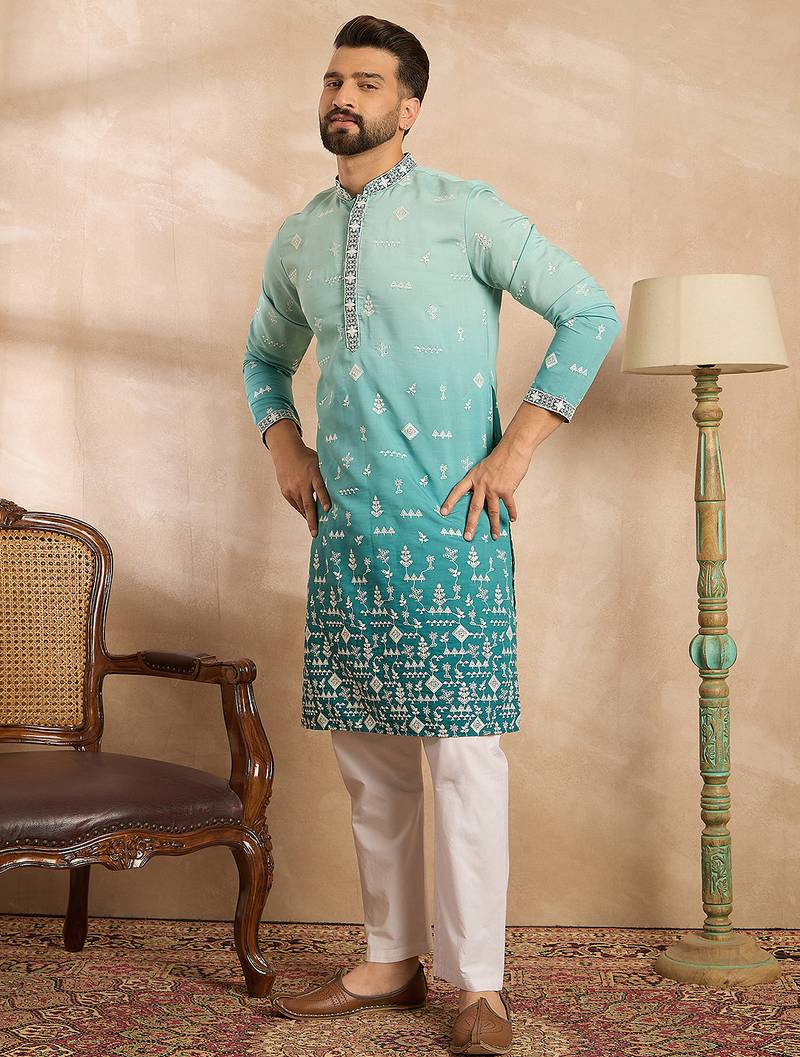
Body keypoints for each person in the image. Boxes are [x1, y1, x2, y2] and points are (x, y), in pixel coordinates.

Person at [242, 14, 621, 1054]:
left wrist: (519, 446)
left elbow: (589, 311)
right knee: (369, 760)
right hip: (348, 535)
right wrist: (284, 445)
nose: (343, 96)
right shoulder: (300, 236)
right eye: (334, 79)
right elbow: (262, 360)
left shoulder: (466, 212)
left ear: (408, 108)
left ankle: (480, 985)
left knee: (461, 757)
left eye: (366, 83)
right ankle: (389, 958)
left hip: (454, 530)